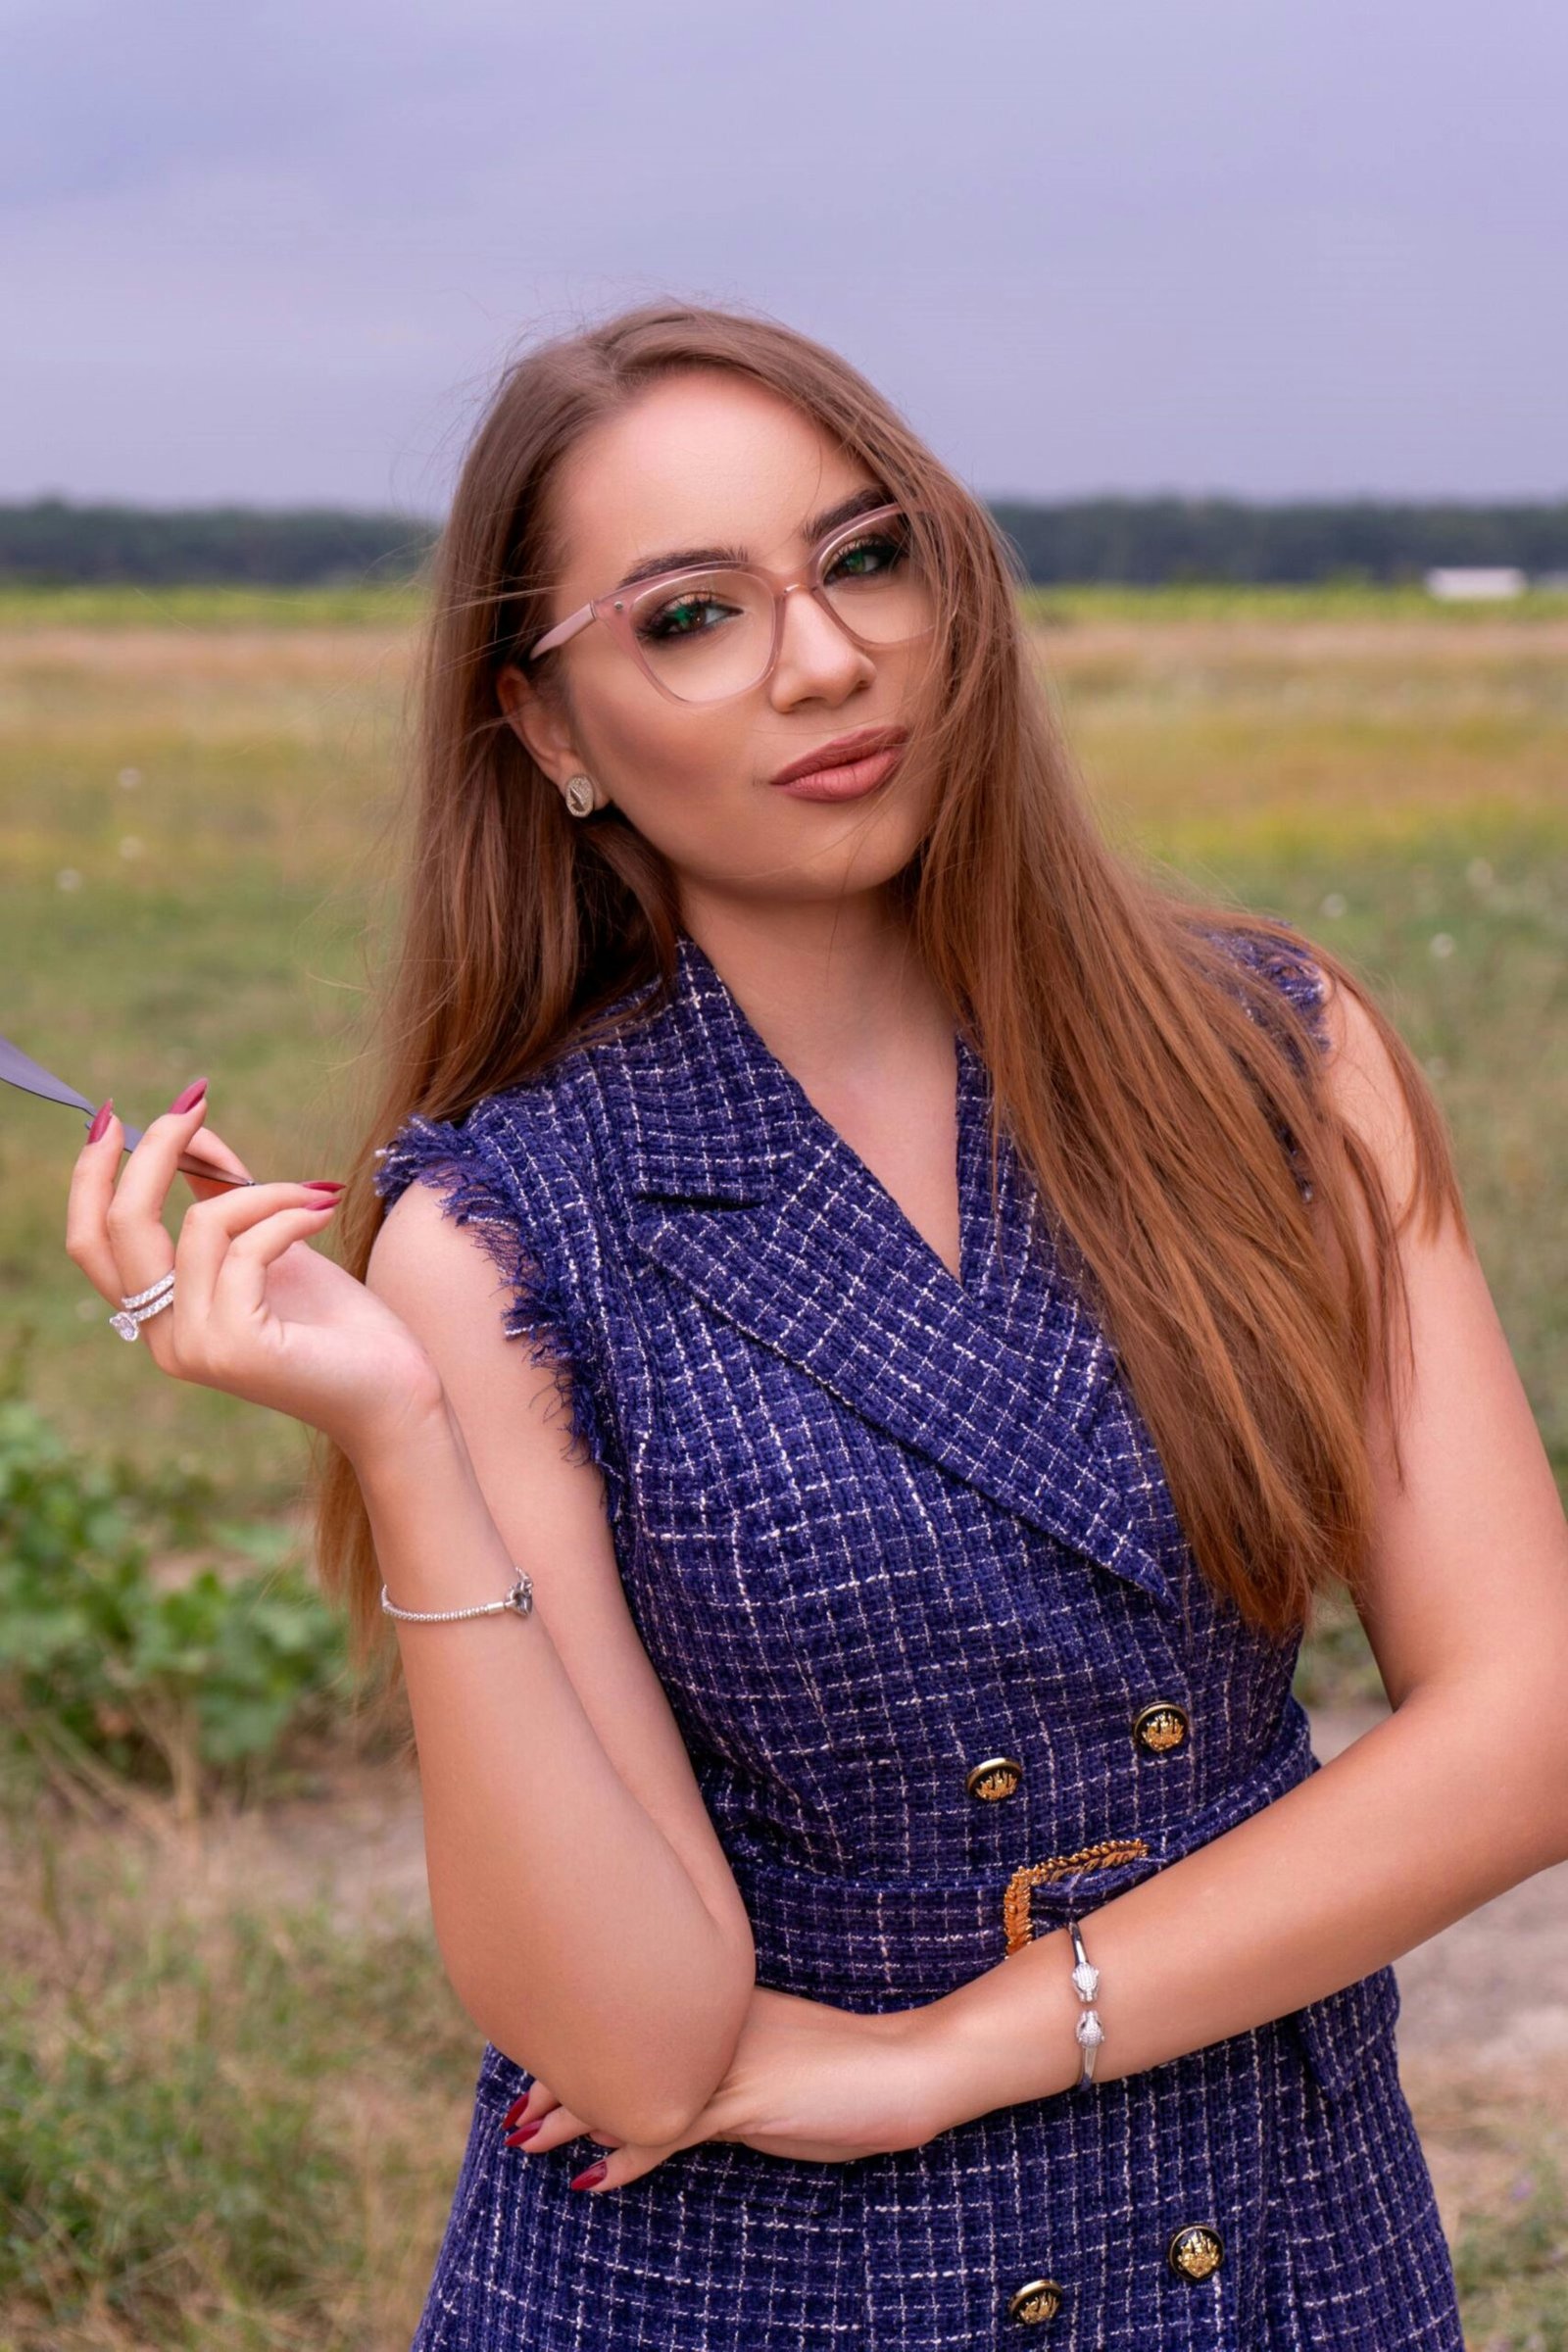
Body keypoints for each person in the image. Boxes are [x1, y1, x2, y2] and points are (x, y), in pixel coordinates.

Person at [65, 301, 1568, 2351]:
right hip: (764, 2278)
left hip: (1271, 2230)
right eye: (689, 615)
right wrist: (404, 1442)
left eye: (867, 559)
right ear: (552, 729)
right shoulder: (508, 1232)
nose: (825, 657)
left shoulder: (1267, 1059)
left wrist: (955, 2046)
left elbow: (1523, 1722)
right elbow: (638, 2046)